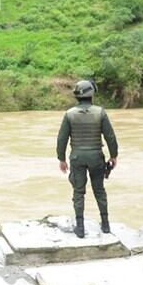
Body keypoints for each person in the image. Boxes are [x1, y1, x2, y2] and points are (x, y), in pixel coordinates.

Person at [56, 80, 119, 238]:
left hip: (77, 157)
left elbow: (61, 139)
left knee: (78, 192)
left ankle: (80, 228)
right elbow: (110, 136)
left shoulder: (69, 114)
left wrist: (61, 159)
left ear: (77, 96)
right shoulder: (100, 112)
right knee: (99, 191)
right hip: (96, 156)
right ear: (92, 95)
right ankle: (105, 225)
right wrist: (113, 156)